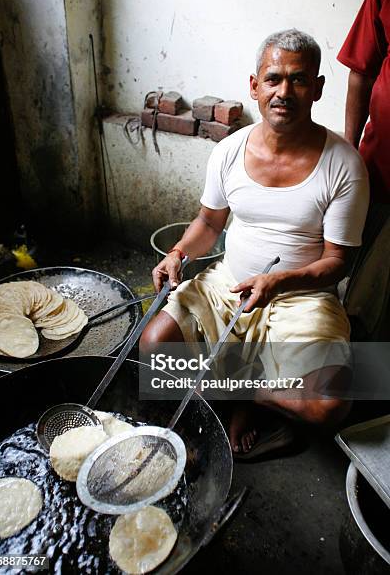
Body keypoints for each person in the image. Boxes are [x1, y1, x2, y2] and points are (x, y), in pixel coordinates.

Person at [140, 29, 369, 457]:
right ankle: (254, 390)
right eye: (274, 79)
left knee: (330, 403)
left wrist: (280, 281)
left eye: (299, 80)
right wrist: (177, 254)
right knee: (154, 346)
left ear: (317, 88)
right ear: (254, 86)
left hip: (304, 296)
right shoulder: (229, 151)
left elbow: (338, 261)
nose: (285, 91)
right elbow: (209, 222)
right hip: (230, 282)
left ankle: (241, 394)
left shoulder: (343, 164)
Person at [337, 0, 390, 338]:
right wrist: (349, 154)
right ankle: (364, 389)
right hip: (384, 170)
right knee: (365, 301)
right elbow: (362, 69)